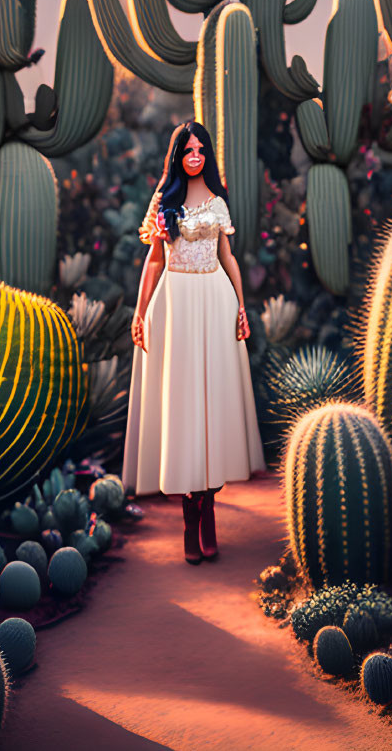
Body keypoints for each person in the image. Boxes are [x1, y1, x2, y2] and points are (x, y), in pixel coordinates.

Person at [121, 120, 266, 564]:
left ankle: (209, 511)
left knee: (214, 406)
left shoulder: (218, 202)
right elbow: (152, 261)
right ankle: (190, 517)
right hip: (176, 303)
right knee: (184, 409)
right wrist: (140, 310)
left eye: (202, 148)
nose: (196, 155)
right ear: (178, 155)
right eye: (188, 149)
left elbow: (228, 257)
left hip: (215, 300)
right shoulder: (164, 202)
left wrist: (241, 306)